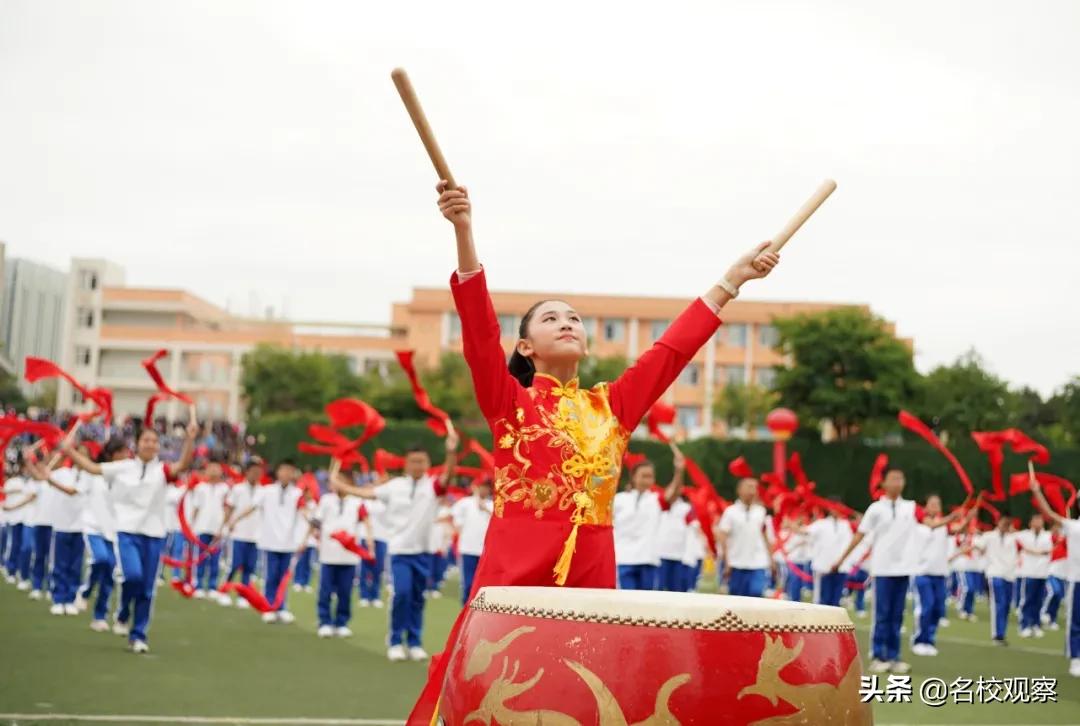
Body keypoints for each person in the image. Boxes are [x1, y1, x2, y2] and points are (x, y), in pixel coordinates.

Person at [403, 178, 779, 723]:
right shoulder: (510, 403)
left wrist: (732, 280)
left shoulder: (613, 407)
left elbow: (671, 351)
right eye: (551, 318)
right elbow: (480, 332)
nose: (568, 323)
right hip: (516, 565)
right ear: (526, 348)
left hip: (592, 567)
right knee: (492, 692)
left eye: (573, 317)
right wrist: (463, 229)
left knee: (584, 694)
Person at [64, 422, 198, 653]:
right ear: (137, 444)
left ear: (158, 446)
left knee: (147, 589)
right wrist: (69, 451)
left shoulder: (163, 470)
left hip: (154, 534)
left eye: (154, 441)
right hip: (127, 532)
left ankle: (138, 635)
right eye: (146, 440)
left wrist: (190, 439)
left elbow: (184, 464)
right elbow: (93, 469)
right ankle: (124, 611)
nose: (150, 444)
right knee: (133, 576)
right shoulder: (123, 467)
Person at [331, 434, 459, 662]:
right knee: (402, 594)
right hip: (400, 552)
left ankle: (414, 642)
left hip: (423, 552)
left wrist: (450, 451)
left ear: (428, 464)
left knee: (418, 598)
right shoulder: (394, 486)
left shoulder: (432, 486)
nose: (418, 465)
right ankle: (395, 640)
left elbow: (448, 475)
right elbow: (367, 493)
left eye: (422, 461)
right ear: (406, 463)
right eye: (414, 461)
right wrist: (341, 485)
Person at [831, 468, 967, 674]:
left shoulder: (911, 507)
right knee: (882, 614)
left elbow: (931, 524)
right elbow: (859, 535)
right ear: (883, 483)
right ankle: (878, 655)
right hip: (883, 569)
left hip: (903, 569)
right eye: (892, 479)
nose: (897, 482)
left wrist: (950, 519)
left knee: (897, 615)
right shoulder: (876, 509)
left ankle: (894, 656)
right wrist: (841, 558)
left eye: (900, 479)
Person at [1027, 477, 1080, 677]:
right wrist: (1037, 491)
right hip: (1077, 581)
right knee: (1076, 621)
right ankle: (1075, 658)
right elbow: (1048, 513)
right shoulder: (1072, 526)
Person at [911, 494, 976, 656]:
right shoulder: (920, 524)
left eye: (937, 504)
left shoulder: (944, 527)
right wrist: (952, 517)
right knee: (926, 606)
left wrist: (967, 519)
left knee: (937, 609)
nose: (934, 507)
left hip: (940, 574)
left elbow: (957, 529)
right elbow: (933, 525)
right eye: (931, 504)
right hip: (922, 573)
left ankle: (930, 640)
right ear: (926, 507)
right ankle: (919, 640)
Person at [243, 460, 304, 624]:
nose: (286, 474)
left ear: (293, 474)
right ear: (278, 472)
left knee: (283, 578)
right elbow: (253, 506)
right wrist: (235, 519)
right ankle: (269, 607)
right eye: (283, 470)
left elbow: (304, 513)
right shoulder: (267, 491)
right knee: (270, 576)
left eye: (290, 471)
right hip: (270, 540)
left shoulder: (297, 493)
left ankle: (282, 607)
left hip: (288, 542)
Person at [613, 453, 685, 591]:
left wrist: (679, 471)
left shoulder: (656, 499)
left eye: (650, 476)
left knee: (646, 607)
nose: (647, 480)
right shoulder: (619, 499)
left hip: (648, 559)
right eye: (643, 476)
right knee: (625, 604)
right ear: (633, 477)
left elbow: (674, 493)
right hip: (623, 559)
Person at [77, 439, 123, 631]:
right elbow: (77, 491)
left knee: (110, 572)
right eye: (121, 452)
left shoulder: (125, 477)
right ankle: (86, 591)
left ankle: (99, 615)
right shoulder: (93, 474)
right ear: (112, 454)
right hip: (93, 526)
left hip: (113, 531)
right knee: (101, 560)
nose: (126, 456)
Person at [313, 482, 369, 638]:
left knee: (345, 591)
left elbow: (366, 520)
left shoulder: (357, 502)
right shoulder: (326, 500)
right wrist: (314, 536)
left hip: (349, 555)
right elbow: (316, 521)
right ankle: (324, 621)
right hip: (328, 553)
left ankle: (341, 622)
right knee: (325, 590)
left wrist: (369, 544)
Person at [718, 478, 776, 598]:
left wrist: (771, 560)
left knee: (756, 594)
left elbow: (767, 537)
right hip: (736, 564)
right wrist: (726, 561)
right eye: (749, 487)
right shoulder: (730, 512)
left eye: (755, 487)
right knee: (737, 599)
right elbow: (723, 535)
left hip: (758, 563)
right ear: (739, 490)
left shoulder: (762, 512)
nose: (753, 491)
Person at [222, 459, 262, 607]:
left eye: (259, 471)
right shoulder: (238, 489)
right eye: (253, 471)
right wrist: (228, 524)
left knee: (249, 567)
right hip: (238, 534)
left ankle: (243, 595)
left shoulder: (262, 491)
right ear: (247, 472)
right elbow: (229, 508)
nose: (256, 474)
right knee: (234, 565)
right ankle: (224, 591)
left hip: (255, 536)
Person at [973, 515, 1019, 646]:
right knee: (999, 603)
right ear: (998, 522)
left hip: (1010, 575)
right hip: (994, 573)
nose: (1005, 525)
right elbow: (978, 545)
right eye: (1003, 522)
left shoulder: (1014, 538)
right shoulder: (989, 536)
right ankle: (997, 635)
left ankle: (1002, 633)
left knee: (1006, 606)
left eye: (1007, 523)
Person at [190, 461, 230, 602]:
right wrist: (191, 526)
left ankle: (212, 586)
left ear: (221, 471)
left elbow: (227, 509)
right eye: (210, 468)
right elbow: (196, 507)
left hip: (217, 529)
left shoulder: (225, 489)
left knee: (215, 559)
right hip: (202, 526)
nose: (213, 471)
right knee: (200, 558)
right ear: (206, 471)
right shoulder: (200, 488)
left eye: (216, 468)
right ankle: (198, 585)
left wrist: (223, 527)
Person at [450, 479, 493, 605]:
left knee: (482, 585)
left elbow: (498, 520)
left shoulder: (493, 505)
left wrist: (485, 509)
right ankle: (465, 610)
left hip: (485, 550)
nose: (484, 490)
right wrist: (458, 526)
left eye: (487, 487)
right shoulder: (465, 503)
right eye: (482, 486)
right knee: (468, 584)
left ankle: (477, 612)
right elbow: (454, 515)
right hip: (468, 548)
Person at [806, 504, 853, 607]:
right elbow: (805, 531)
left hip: (841, 567)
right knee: (822, 601)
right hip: (823, 567)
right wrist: (791, 525)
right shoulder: (821, 524)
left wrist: (842, 562)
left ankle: (833, 623)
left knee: (835, 600)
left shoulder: (845, 525)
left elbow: (849, 543)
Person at [1015, 512, 1052, 638]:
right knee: (1027, 600)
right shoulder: (1024, 535)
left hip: (1042, 573)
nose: (1038, 523)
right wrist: (1036, 552)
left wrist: (1035, 551)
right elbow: (1016, 543)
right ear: (1030, 523)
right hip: (1028, 572)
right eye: (1035, 520)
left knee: (1038, 601)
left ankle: (1035, 625)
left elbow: (1052, 549)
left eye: (1040, 520)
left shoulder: (1048, 536)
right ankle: (1024, 625)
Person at [656, 485, 694, 593]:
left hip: (679, 556)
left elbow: (694, 528)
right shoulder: (659, 506)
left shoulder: (687, 508)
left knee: (678, 591)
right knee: (659, 590)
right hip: (661, 554)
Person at [358, 492, 390, 608]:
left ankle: (375, 595)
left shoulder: (386, 503)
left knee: (378, 568)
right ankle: (364, 596)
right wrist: (368, 537)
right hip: (365, 537)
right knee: (364, 568)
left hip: (382, 537)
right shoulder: (364, 503)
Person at [1041, 524, 1066, 631]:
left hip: (1064, 575)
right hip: (1051, 572)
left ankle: (1052, 619)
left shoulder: (1067, 540)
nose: (1057, 529)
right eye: (1055, 527)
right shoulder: (1050, 538)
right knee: (1053, 592)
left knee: (1058, 598)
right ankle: (1043, 613)